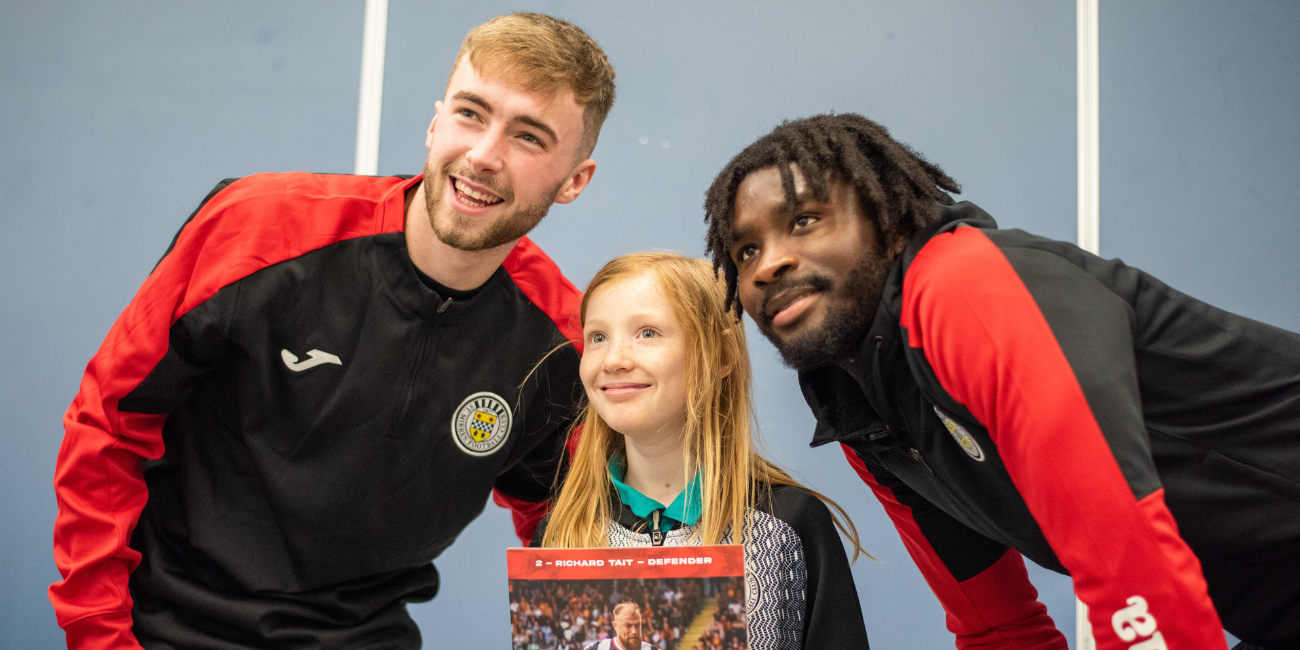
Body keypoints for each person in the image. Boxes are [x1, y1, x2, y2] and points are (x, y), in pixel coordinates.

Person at [49, 13, 615, 650]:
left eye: (529, 138)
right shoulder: (256, 231)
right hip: (170, 631)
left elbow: (572, 521)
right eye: (470, 114)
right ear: (435, 123)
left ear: (574, 180)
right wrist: (100, 638)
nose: (483, 155)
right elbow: (110, 424)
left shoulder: (563, 343)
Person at [701, 113, 1300, 650]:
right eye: (746, 251)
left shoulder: (962, 288)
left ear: (890, 224)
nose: (768, 264)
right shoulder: (864, 410)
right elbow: (999, 630)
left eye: (804, 220)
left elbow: (1130, 564)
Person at [538, 252, 872, 650]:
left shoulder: (788, 525)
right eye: (598, 337)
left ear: (722, 355)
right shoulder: (561, 536)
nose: (613, 360)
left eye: (647, 333)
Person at [586, 602, 654, 650]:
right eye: (628, 625)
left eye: (637, 625)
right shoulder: (597, 648)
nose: (634, 631)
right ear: (615, 626)